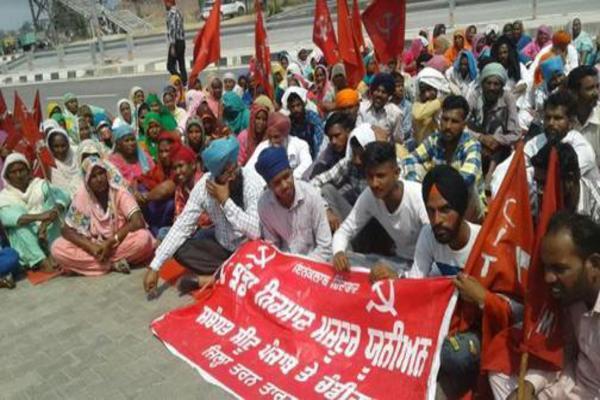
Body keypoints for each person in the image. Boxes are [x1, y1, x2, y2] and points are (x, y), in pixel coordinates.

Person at [490, 211, 600, 400]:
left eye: (559, 269)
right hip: (569, 388)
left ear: (594, 264)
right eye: (546, 267)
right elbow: (563, 352)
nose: (548, 278)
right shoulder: (572, 301)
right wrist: (529, 386)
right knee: (501, 367)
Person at [143, 136, 263, 293]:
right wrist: (155, 266)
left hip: (250, 250)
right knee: (181, 249)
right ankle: (231, 272)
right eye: (226, 172)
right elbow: (181, 226)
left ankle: (214, 278)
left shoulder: (252, 182)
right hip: (223, 248)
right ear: (216, 175)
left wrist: (226, 202)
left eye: (234, 168)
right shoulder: (204, 187)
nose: (233, 175)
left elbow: (256, 231)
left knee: (260, 264)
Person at [332, 141, 428, 275]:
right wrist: (338, 253)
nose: (374, 183)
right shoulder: (369, 196)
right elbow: (345, 231)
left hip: (424, 266)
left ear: (396, 173)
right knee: (342, 261)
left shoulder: (418, 197)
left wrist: (401, 277)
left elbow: (436, 248)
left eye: (381, 176)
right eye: (370, 176)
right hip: (397, 261)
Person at [51, 158, 155, 276]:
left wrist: (111, 242)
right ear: (87, 180)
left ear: (107, 174)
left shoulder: (118, 192)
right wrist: (91, 247)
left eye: (101, 173)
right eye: (93, 177)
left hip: (119, 242)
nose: (99, 179)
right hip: (95, 247)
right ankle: (112, 264)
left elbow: (138, 221)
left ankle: (94, 265)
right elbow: (66, 230)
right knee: (57, 247)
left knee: (143, 238)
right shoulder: (82, 196)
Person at [491, 92, 599, 199]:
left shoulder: (581, 147)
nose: (551, 123)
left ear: (571, 122)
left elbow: (554, 176)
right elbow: (503, 171)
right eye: (548, 118)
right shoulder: (537, 141)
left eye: (557, 118)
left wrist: (525, 174)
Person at [404, 95, 484, 220]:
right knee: (409, 170)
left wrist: (433, 191)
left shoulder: (471, 144)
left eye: (454, 121)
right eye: (445, 119)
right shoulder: (435, 139)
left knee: (468, 188)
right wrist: (418, 187)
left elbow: (466, 178)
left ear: (464, 124)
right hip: (440, 200)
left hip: (467, 207)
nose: (447, 126)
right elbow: (410, 159)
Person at [254, 147, 332, 262]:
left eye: (286, 176)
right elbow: (272, 246)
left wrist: (299, 267)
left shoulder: (311, 196)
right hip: (286, 264)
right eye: (277, 183)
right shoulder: (264, 205)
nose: (285, 185)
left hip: (316, 263)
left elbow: (325, 247)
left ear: (291, 172)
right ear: (269, 186)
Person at [409, 165, 481, 280]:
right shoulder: (428, 235)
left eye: (445, 210)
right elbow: (414, 283)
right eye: (431, 211)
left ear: (461, 208)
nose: (437, 220)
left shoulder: (483, 242)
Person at [0, 153, 69, 272]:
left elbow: (63, 195)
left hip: (47, 231)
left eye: (21, 170)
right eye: (13, 172)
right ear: (7, 176)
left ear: (28, 171)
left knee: (55, 205)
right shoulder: (4, 196)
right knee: (19, 227)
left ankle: (54, 253)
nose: (19, 175)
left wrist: (49, 217)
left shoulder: (39, 184)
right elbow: (7, 218)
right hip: (27, 239)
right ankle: (40, 261)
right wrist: (40, 217)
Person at [467, 62, 520, 177]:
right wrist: (480, 137)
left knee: (498, 131)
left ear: (501, 86)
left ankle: (489, 176)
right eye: (488, 83)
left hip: (498, 144)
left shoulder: (508, 98)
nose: (492, 88)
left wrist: (496, 139)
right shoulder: (474, 96)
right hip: (477, 139)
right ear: (482, 84)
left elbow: (516, 133)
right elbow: (461, 124)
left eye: (496, 84)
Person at [531, 142, 600, 223]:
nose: (539, 191)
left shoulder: (596, 204)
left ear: (571, 179)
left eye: (546, 184)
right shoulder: (536, 201)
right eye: (537, 183)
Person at [245, 112, 312, 180]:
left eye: (276, 137)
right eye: (270, 137)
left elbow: (307, 164)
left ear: (285, 134)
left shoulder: (300, 145)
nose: (272, 141)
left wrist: (289, 178)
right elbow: (249, 170)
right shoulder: (263, 146)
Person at [356, 73, 405, 144]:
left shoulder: (395, 114)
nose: (379, 95)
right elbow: (358, 133)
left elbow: (398, 142)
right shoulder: (362, 109)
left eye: (383, 92)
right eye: (377, 90)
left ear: (389, 96)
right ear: (372, 92)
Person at [304, 112, 354, 179]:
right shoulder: (331, 149)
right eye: (330, 137)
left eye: (337, 135)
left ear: (348, 131)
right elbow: (315, 165)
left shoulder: (356, 148)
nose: (333, 141)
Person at [568, 65, 600, 168]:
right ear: (574, 92)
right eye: (590, 88)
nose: (596, 92)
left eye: (597, 86)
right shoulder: (564, 119)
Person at [412, 67, 451, 144]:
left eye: (429, 89)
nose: (426, 95)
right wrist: (439, 101)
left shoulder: (448, 107)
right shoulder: (418, 105)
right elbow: (418, 115)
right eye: (423, 91)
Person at [287, 90, 325, 158]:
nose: (296, 109)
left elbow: (320, 138)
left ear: (303, 104)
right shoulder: (288, 122)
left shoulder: (312, 117)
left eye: (298, 105)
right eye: (293, 107)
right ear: (289, 108)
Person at [46, 127, 83, 196]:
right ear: (50, 147)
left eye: (63, 146)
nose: (60, 150)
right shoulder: (49, 166)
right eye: (56, 146)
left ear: (68, 144)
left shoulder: (77, 157)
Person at [237, 101, 271, 166]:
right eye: (258, 118)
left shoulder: (267, 137)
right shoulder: (244, 136)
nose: (261, 122)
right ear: (252, 119)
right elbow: (239, 161)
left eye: (264, 119)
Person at [165, 0, 187, 85]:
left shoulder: (171, 13)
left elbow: (172, 29)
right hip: (182, 41)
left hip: (176, 42)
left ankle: (180, 81)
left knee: (170, 66)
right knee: (181, 65)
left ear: (169, 3)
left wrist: (173, 46)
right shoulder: (179, 12)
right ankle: (185, 83)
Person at [390, 71, 414, 148]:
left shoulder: (408, 106)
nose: (401, 88)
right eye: (397, 86)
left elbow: (407, 129)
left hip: (404, 143)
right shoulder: (388, 105)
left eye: (402, 85)